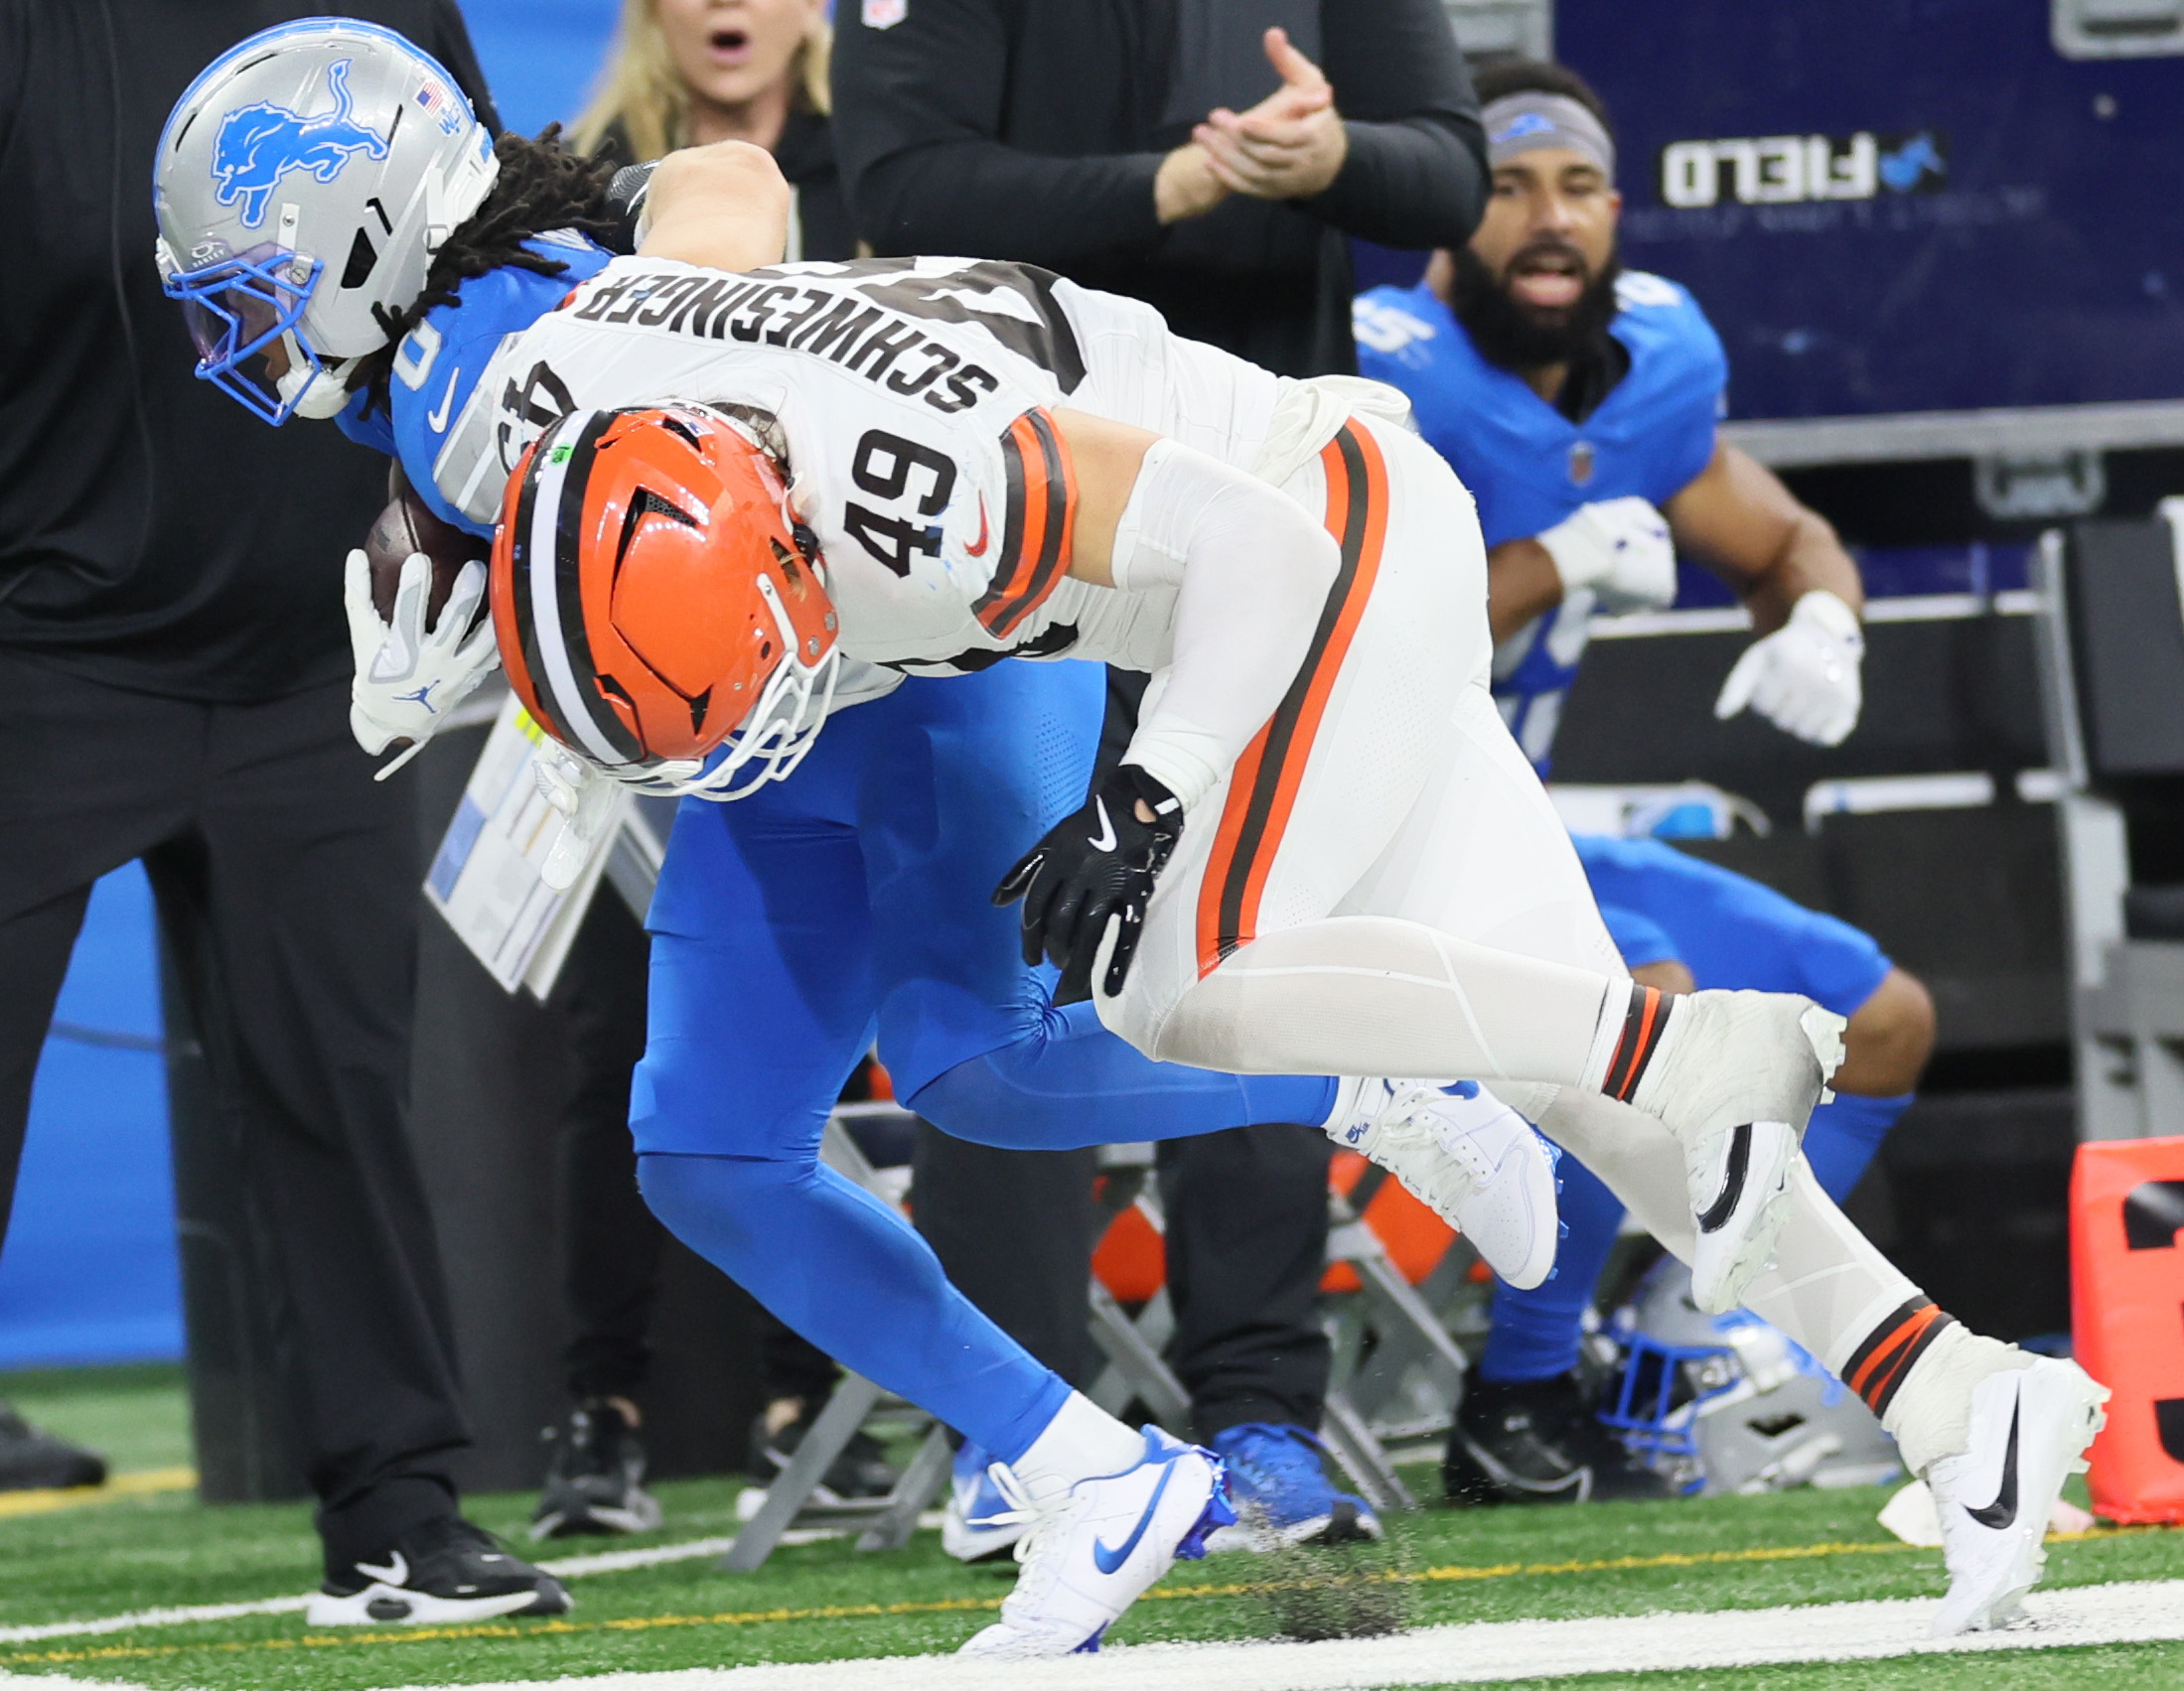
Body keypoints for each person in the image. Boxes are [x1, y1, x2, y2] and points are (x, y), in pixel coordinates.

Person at [158, 26, 2098, 1649]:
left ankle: (1551, 1055)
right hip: (1088, 566)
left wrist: (1147, 791)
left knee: (1173, 991)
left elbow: (1228, 545)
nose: (249, 340)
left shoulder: (907, 497)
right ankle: (1953, 1394)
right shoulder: (594, 416)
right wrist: (476, 607)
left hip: (1269, 545)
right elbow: (719, 215)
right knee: (745, 1130)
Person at [830, 0, 1495, 1545]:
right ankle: (1031, 1438)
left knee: (1248, 948)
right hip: (1012, 534)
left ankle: (1261, 1416)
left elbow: (1448, 175)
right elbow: (906, 191)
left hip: (1266, 511)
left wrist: (1333, 153)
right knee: (1008, 961)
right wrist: (1172, 193)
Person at [1, 0, 564, 1622]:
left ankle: (397, 1520)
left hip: (315, 660)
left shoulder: (393, 13)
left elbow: (483, 267)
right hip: (39, 658)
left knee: (345, 1098)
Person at [1353, 57, 1940, 1507]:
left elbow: (1783, 533)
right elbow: (1345, 637)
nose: (1547, 222)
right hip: (1370, 848)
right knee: (1653, 1010)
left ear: (1617, 212)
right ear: (1442, 216)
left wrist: (1820, 617)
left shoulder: (1654, 368)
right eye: (1503, 189)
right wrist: (1551, 561)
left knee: (1881, 1023)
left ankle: (1681, 1341)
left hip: (1519, 834)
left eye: (1576, 190)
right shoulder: (1385, 373)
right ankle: (1519, 1400)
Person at [524, 0, 888, 1543]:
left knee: (837, 1034)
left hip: (842, 662)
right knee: (624, 1040)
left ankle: (816, 1404)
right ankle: (597, 1415)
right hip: (629, 680)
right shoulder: (574, 181)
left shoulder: (879, 157)